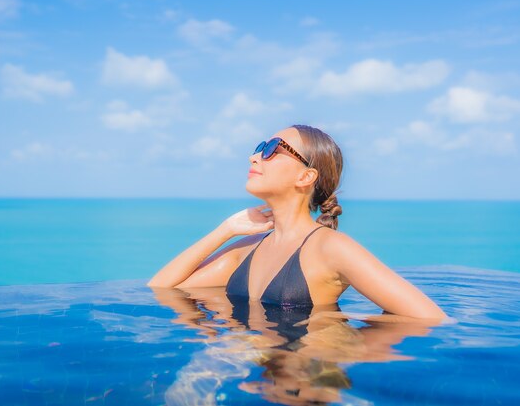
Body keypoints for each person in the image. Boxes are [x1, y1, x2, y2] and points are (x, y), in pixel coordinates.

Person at [148, 124, 448, 320]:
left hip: (302, 387)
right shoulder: (247, 249)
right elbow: (161, 289)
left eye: (271, 150)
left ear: (306, 176)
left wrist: (347, 347)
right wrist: (224, 230)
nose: (255, 158)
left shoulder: (330, 248)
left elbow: (429, 318)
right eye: (258, 148)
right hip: (251, 374)